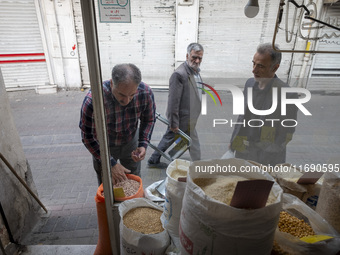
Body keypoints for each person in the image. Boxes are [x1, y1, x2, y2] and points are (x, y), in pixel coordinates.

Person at [79, 63, 156, 185]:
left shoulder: (145, 92)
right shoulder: (94, 100)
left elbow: (149, 120)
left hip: (131, 142)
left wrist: (143, 144)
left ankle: (132, 203)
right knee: (107, 182)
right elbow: (87, 136)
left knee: (133, 178)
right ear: (111, 84)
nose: (126, 100)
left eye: (132, 95)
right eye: (121, 94)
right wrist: (110, 163)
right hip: (104, 145)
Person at [230, 43, 298, 166]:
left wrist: (268, 154)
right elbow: (242, 116)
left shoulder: (288, 94)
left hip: (268, 158)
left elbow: (287, 131)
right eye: (253, 63)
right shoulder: (249, 83)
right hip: (244, 152)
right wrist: (234, 141)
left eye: (260, 66)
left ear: (275, 68)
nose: (254, 70)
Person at [147, 43, 204, 168]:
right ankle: (197, 164)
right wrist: (173, 122)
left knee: (183, 139)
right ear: (187, 55)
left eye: (200, 58)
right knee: (177, 138)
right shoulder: (179, 74)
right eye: (194, 57)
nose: (197, 60)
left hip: (190, 118)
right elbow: (173, 101)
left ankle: (155, 159)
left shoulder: (195, 71)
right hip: (182, 118)